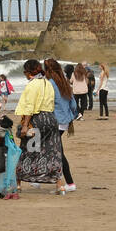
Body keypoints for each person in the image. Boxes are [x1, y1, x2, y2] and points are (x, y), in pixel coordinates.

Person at [13, 59, 65, 194]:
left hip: (36, 121)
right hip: (51, 120)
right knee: (52, 152)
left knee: (27, 150)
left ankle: (18, 184)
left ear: (28, 72)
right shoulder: (48, 83)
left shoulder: (32, 85)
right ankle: (60, 185)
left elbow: (30, 106)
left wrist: (25, 125)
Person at [45, 58, 78, 192]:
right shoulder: (64, 82)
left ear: (48, 71)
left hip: (55, 122)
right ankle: (60, 181)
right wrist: (71, 116)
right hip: (65, 122)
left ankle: (69, 183)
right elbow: (74, 105)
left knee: (58, 153)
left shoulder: (50, 84)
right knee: (56, 151)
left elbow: (47, 103)